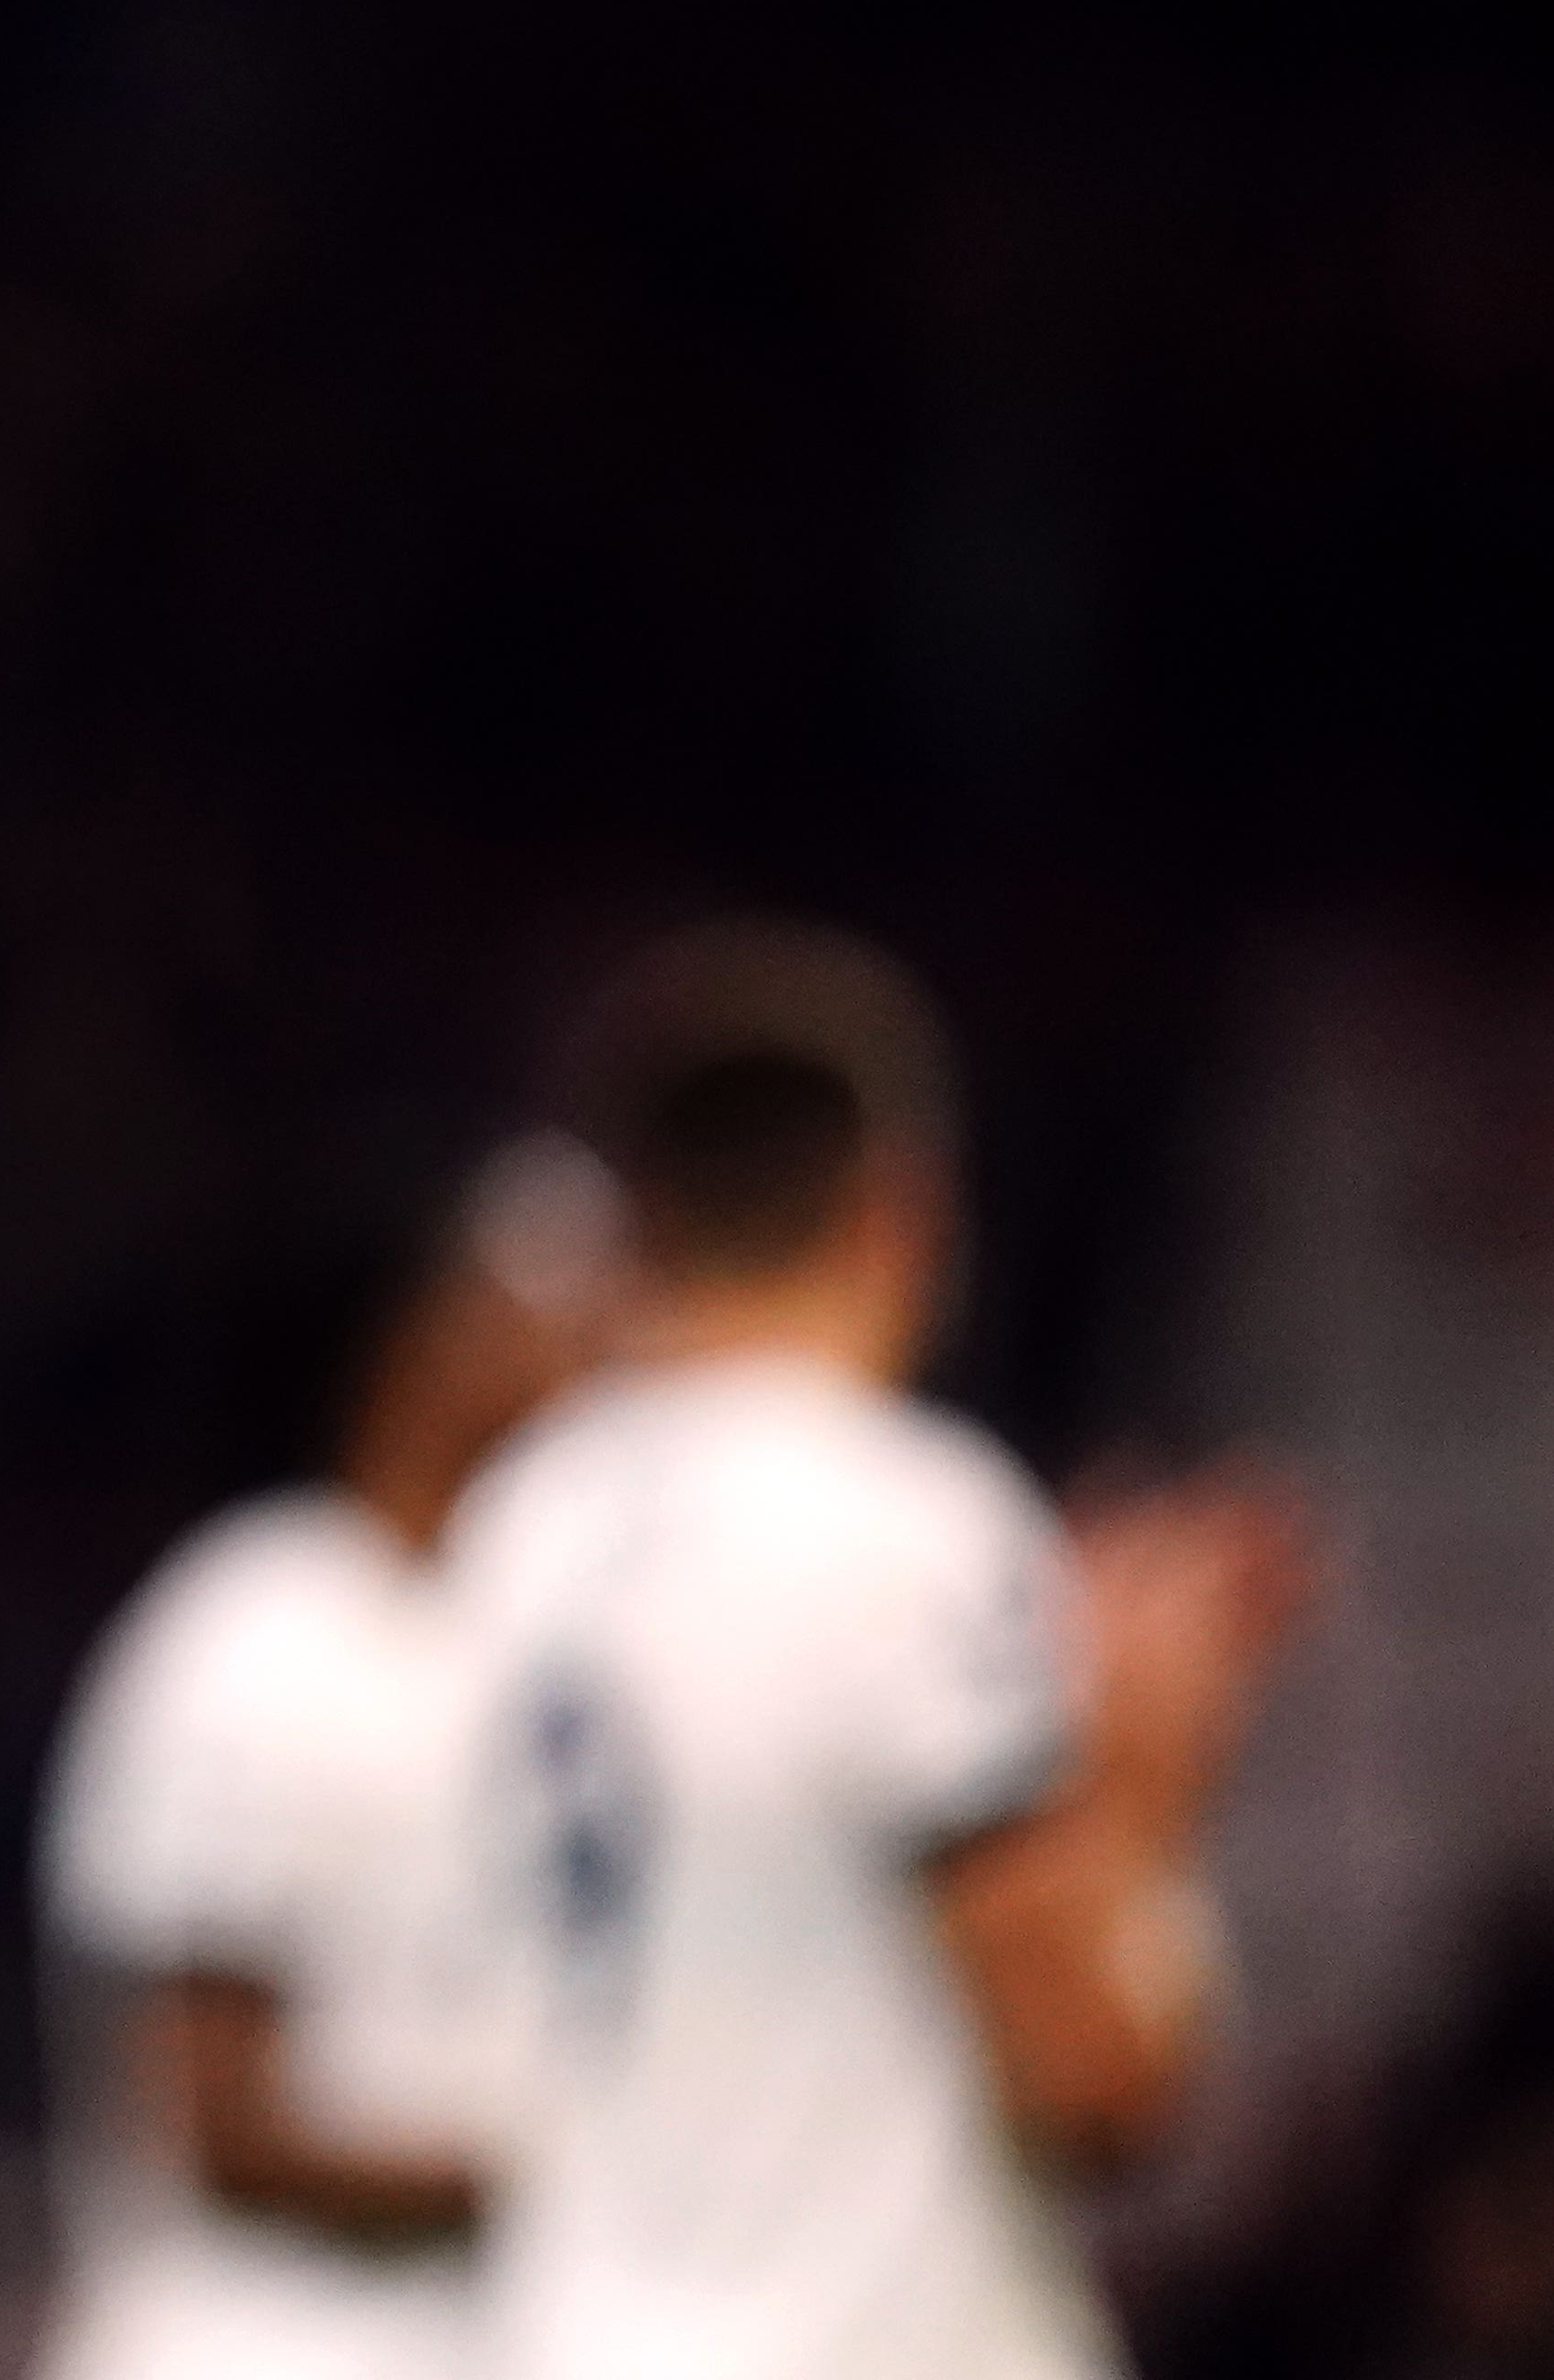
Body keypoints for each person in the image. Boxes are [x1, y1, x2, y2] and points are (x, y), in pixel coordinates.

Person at [445, 924, 1307, 2380]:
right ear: (906, 1206)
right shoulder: (900, 1524)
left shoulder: (514, 1530)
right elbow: (1101, 2091)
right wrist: (1149, 1781)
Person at [33, 1130, 625, 2380]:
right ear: (426, 1328)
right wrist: (598, 2176)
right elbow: (218, 2122)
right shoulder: (254, 1632)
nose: (604, 1328)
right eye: (550, 1283)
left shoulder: (562, 1648)